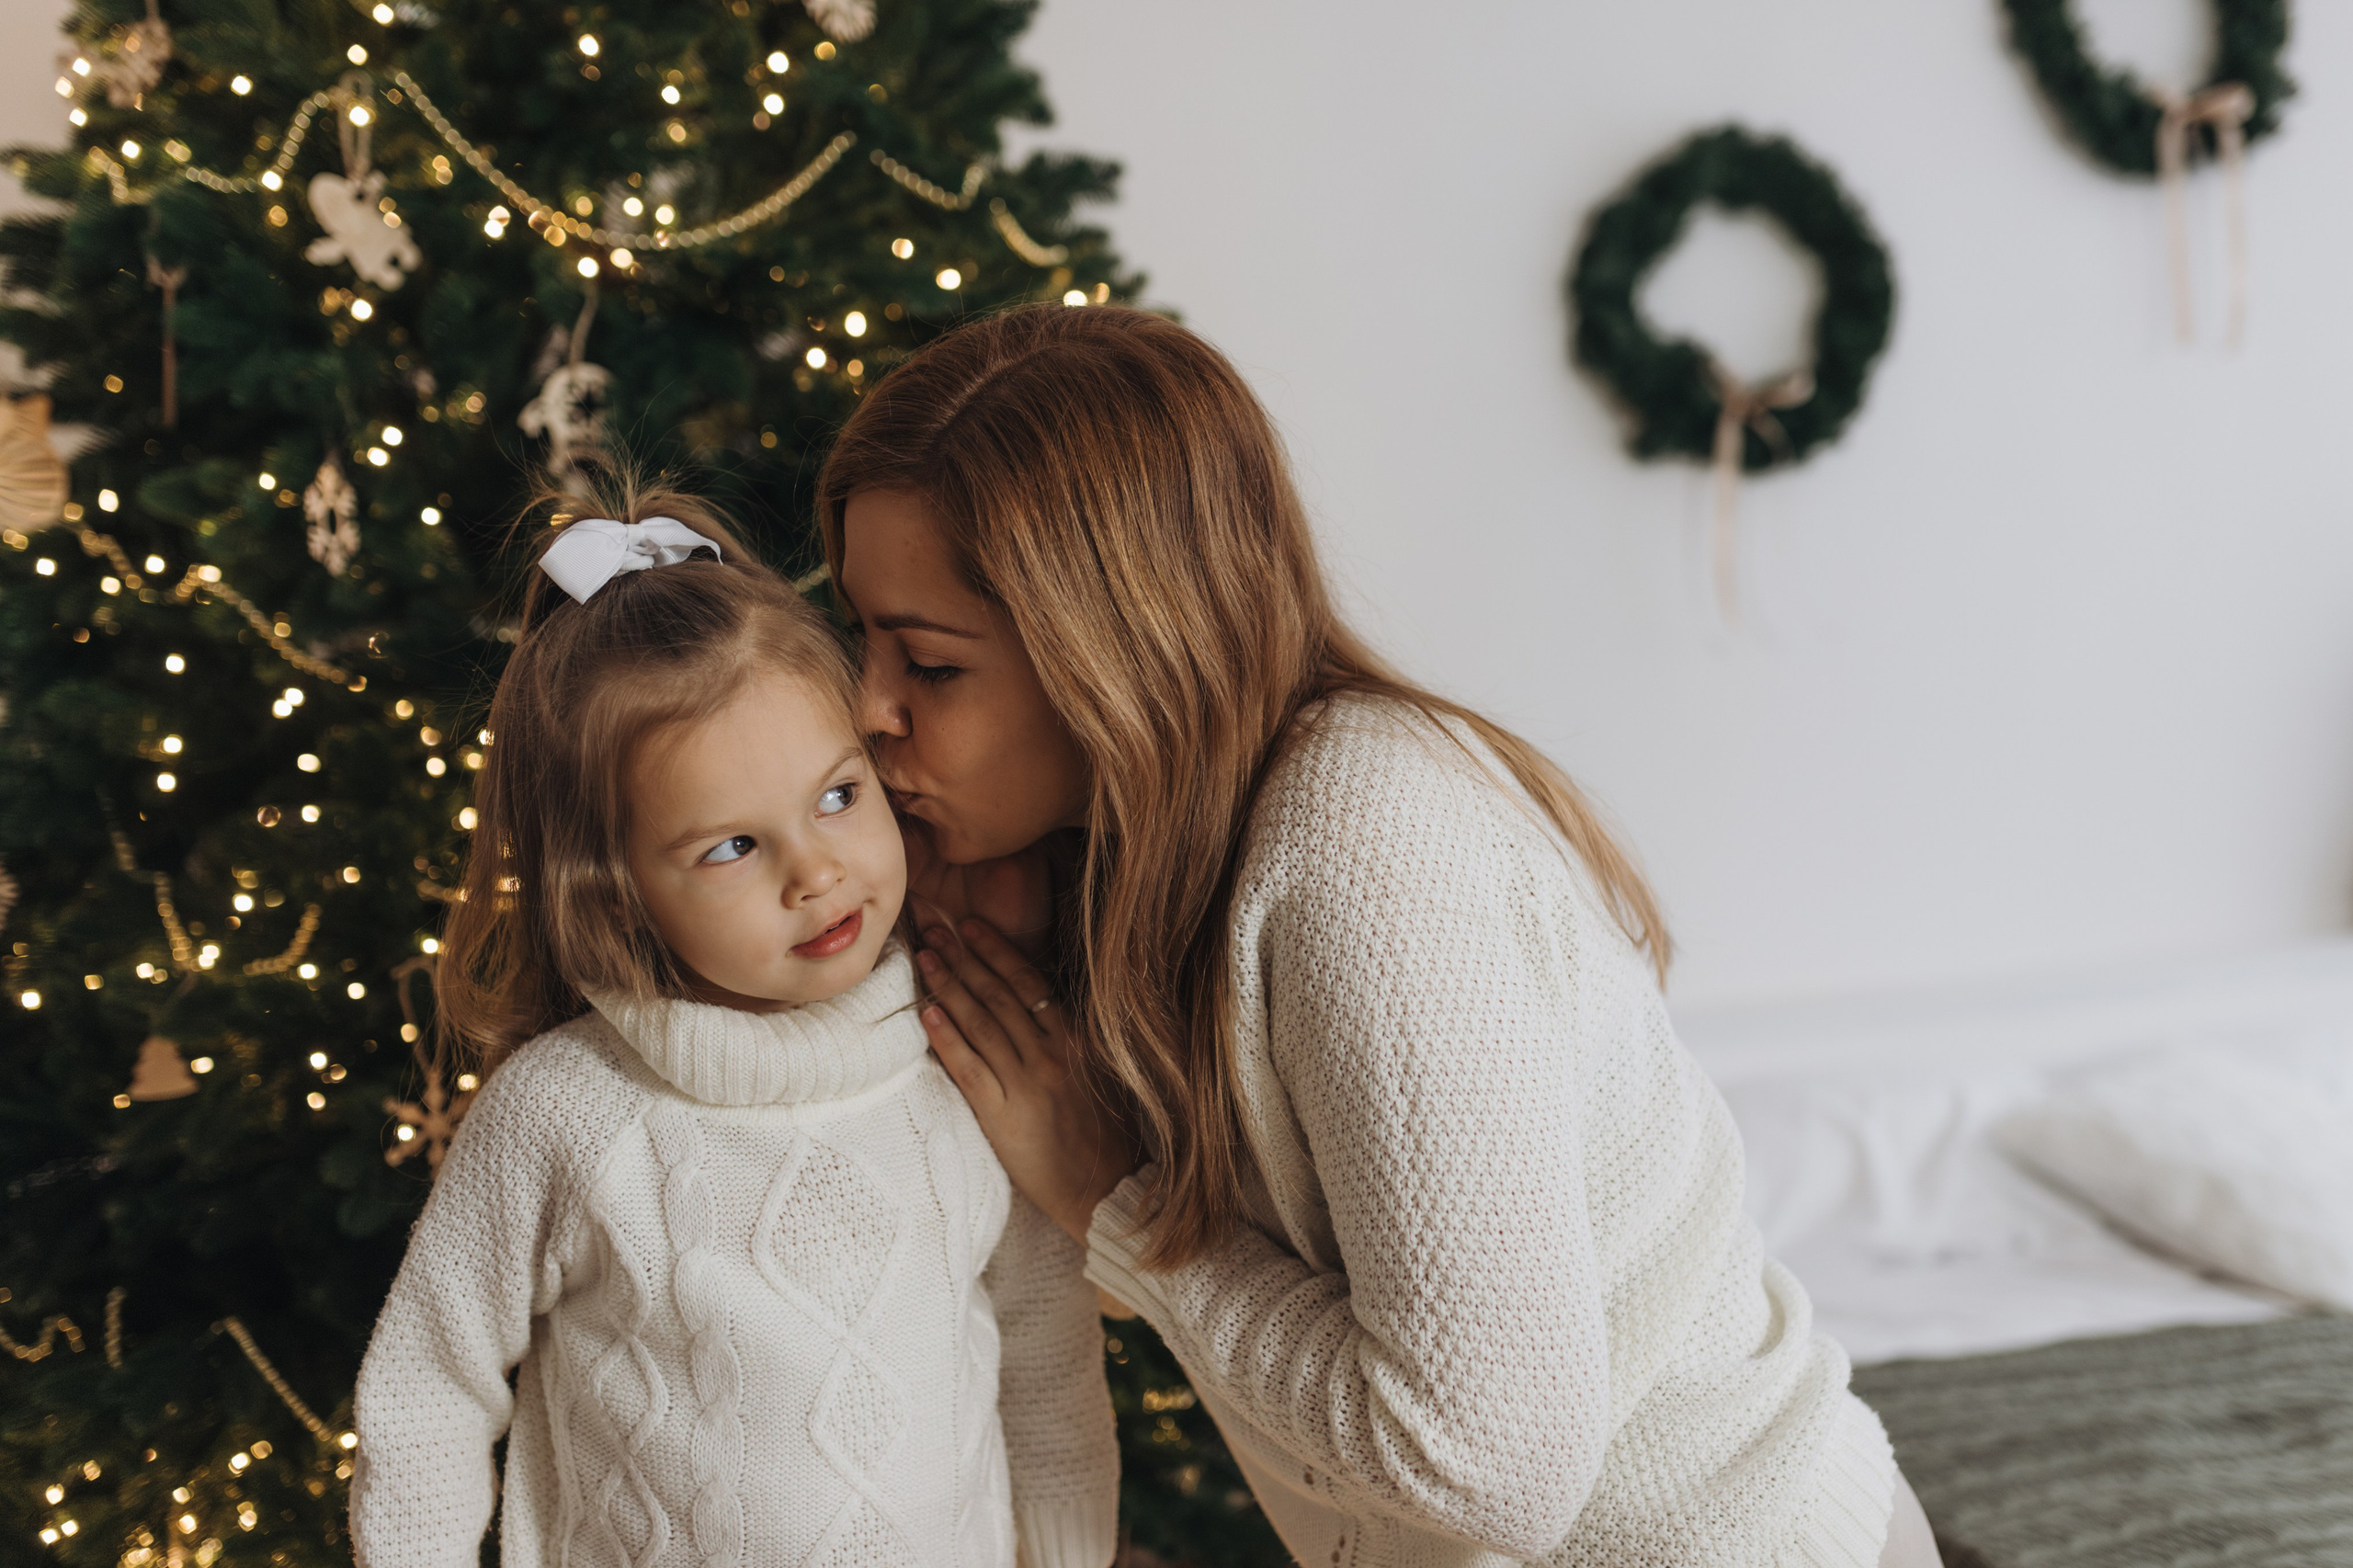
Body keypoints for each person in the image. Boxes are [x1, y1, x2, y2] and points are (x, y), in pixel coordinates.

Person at [820, 305, 1944, 1568]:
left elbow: (1484, 1466)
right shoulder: (1138, 864)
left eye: (929, 662)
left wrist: (1109, 1196)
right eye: (864, 638)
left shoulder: (1366, 852)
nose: (869, 710)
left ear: (1112, 653)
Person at [347, 483, 1119, 1568]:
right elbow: (428, 1384)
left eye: (839, 795)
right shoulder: (569, 1112)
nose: (817, 873)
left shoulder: (965, 1053)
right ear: (615, 891)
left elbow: (1045, 1351)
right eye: (730, 848)